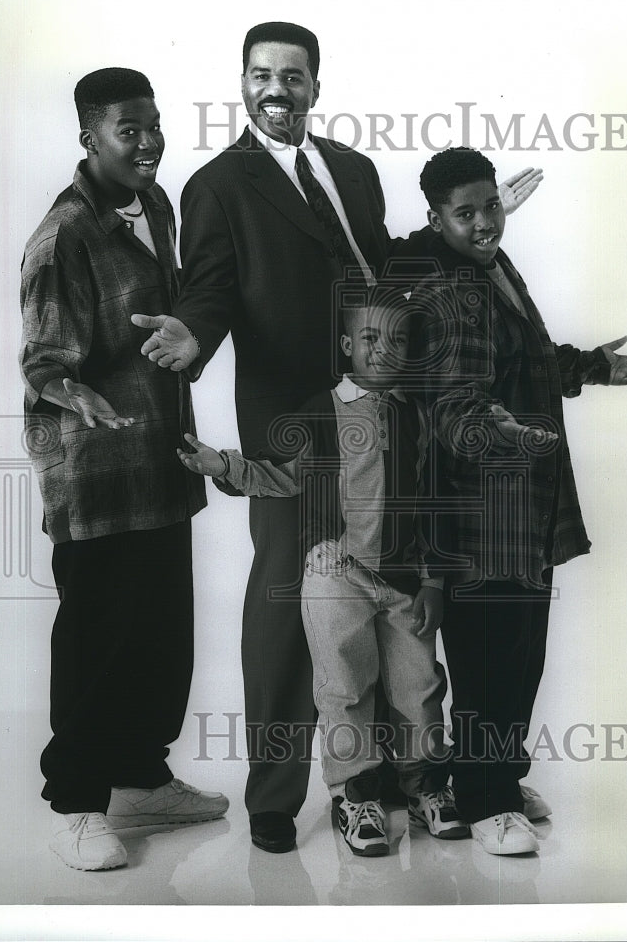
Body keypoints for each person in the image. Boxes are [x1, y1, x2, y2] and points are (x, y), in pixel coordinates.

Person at [130, 22, 542, 853]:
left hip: (387, 405)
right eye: (259, 75)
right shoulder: (220, 183)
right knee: (293, 606)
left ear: (316, 85)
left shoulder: (351, 170)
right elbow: (210, 286)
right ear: (241, 85)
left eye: (291, 75)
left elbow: (384, 266)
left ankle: (389, 778)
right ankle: (275, 795)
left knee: (394, 605)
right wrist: (193, 335)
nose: (274, 89)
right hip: (294, 421)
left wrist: (459, 229)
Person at [408, 146, 627, 855]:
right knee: (489, 658)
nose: (485, 221)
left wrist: (591, 367)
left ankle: (499, 777)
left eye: (491, 205)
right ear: (436, 219)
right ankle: (483, 801)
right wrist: (496, 428)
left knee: (522, 654)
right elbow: (452, 403)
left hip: (528, 501)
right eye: (466, 213)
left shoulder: (491, 266)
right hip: (479, 510)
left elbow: (529, 354)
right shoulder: (447, 288)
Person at [19, 67, 228, 872]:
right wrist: (71, 390)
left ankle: (140, 779)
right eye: (127, 130)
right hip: (97, 475)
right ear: (89, 137)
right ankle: (76, 802)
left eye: (152, 125)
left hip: (159, 464)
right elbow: (42, 357)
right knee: (97, 640)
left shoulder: (156, 204)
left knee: (160, 636)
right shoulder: (62, 235)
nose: (147, 143)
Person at [178, 289, 468, 857]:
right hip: (336, 573)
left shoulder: (420, 414)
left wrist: (433, 580)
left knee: (420, 685)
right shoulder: (320, 410)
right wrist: (225, 466)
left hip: (404, 577)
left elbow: (437, 503)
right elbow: (285, 479)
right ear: (346, 346)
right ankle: (354, 795)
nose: (384, 351)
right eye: (369, 340)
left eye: (399, 340)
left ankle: (425, 787)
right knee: (344, 686)